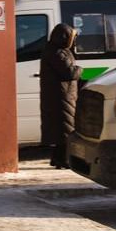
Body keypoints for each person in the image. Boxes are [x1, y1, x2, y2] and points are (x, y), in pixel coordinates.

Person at [39, 23, 82, 169]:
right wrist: (79, 69)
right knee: (65, 129)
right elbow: (70, 73)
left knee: (60, 129)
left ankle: (57, 158)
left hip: (59, 95)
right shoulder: (58, 53)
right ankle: (63, 159)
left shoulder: (54, 50)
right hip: (61, 96)